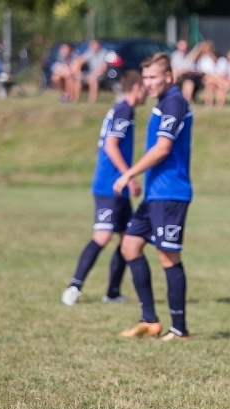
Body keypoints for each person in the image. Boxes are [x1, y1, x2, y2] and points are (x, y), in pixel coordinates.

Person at [112, 52, 193, 341]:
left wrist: (128, 173)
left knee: (168, 256)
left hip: (171, 193)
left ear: (168, 77)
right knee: (130, 246)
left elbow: (163, 148)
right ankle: (150, 320)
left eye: (153, 77)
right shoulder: (163, 103)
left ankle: (179, 329)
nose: (147, 83)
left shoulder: (174, 102)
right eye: (144, 78)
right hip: (155, 194)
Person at [61, 70, 147, 307]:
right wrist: (128, 177)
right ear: (137, 88)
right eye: (145, 87)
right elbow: (111, 145)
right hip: (110, 185)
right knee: (102, 236)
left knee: (128, 238)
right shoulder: (124, 110)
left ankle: (112, 292)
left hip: (116, 186)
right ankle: (74, 287)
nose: (148, 92)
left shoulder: (122, 110)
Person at [71, 39, 108, 104]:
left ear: (99, 45)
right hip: (90, 73)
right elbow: (80, 61)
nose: (92, 47)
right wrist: (78, 71)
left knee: (93, 79)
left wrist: (93, 75)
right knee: (78, 79)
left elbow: (103, 68)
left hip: (101, 74)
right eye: (91, 45)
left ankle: (91, 100)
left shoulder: (104, 53)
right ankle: (75, 99)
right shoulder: (90, 52)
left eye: (94, 45)